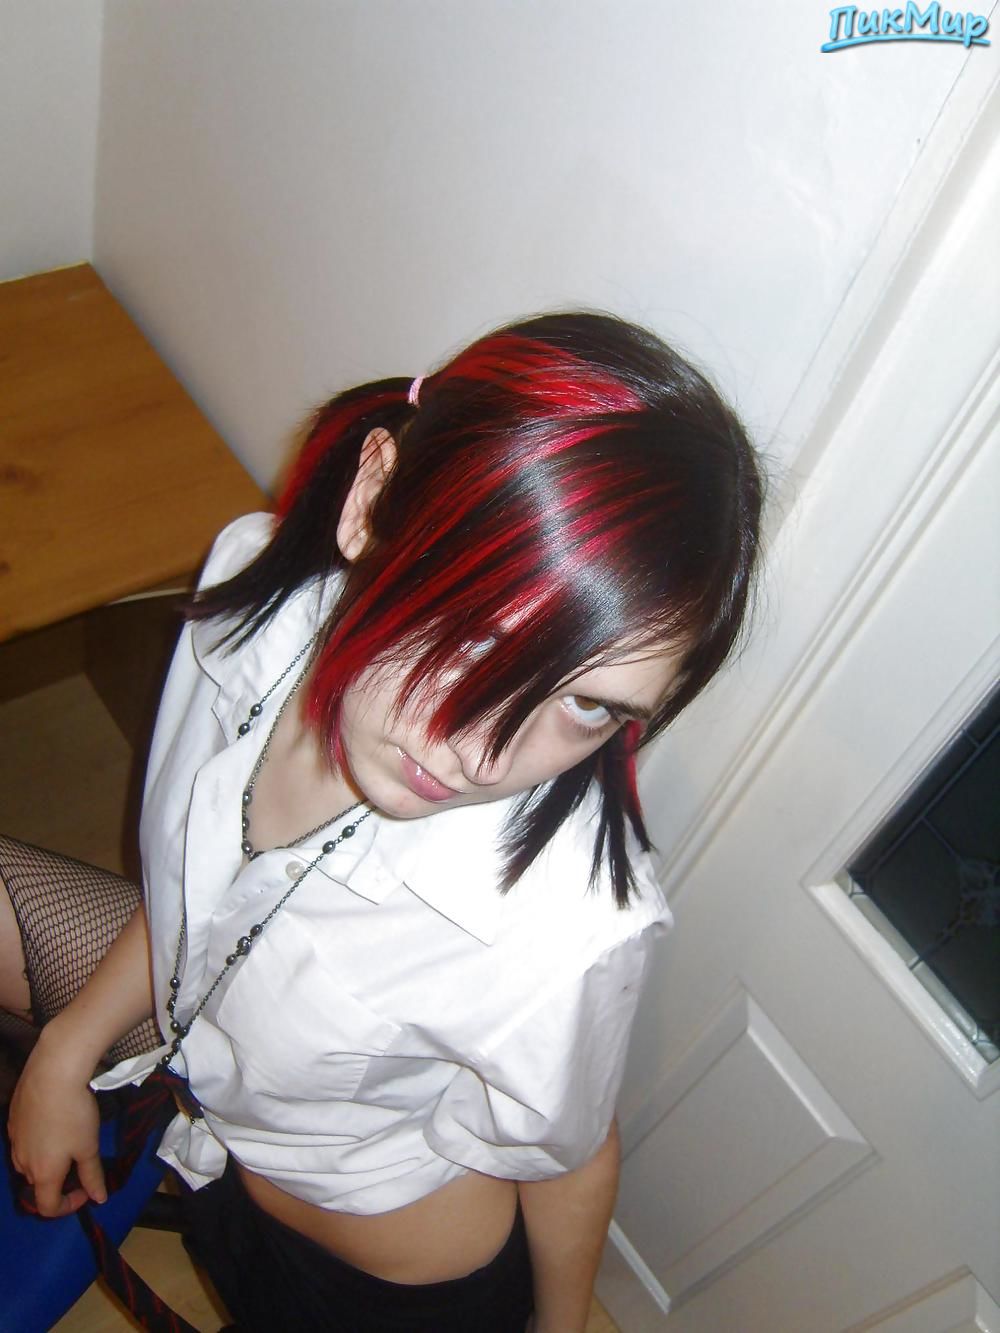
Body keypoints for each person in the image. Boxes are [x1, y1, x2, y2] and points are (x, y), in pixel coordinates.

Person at [2, 312, 763, 1332]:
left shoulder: (564, 926)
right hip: (206, 1099)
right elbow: (211, 886)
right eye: (479, 633)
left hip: (373, 1284)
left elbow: (572, 1155)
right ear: (370, 498)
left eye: (589, 704)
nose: (482, 753)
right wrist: (64, 1050)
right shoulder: (254, 602)